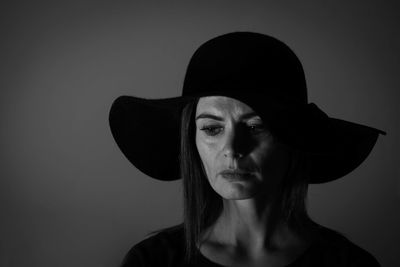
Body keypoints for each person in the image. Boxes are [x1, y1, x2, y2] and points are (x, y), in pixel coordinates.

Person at [109, 32, 385, 266]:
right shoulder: (151, 262)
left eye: (255, 127)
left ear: (293, 138)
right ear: (191, 139)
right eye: (212, 129)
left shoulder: (349, 262)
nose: (232, 149)